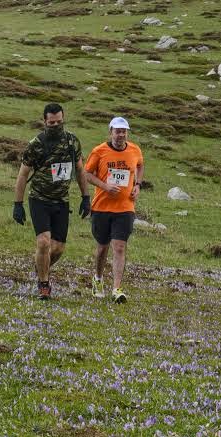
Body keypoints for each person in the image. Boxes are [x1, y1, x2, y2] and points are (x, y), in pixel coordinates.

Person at [13, 103, 91, 300]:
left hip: (61, 201)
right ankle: (44, 284)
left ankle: (41, 268)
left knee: (58, 249)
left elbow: (80, 170)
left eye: (59, 122)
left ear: (63, 119)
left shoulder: (72, 141)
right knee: (44, 242)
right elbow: (23, 174)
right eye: (51, 123)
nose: (56, 125)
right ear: (45, 121)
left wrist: (85, 198)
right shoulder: (36, 144)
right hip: (39, 198)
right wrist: (18, 204)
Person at [84, 117, 144, 303]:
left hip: (125, 207)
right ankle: (98, 278)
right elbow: (86, 174)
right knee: (102, 247)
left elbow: (140, 165)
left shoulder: (134, 150)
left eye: (124, 131)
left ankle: (117, 289)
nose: (121, 135)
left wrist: (138, 185)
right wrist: (105, 186)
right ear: (110, 132)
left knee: (119, 246)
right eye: (117, 131)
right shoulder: (99, 151)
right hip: (102, 207)